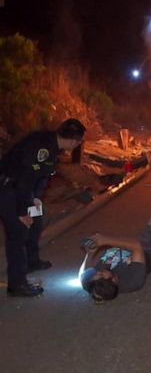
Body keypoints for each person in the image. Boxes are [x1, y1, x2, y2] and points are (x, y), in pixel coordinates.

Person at [0, 118, 86, 297]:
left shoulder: (54, 148)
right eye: (79, 142)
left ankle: (32, 261)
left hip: (25, 190)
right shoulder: (42, 147)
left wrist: (37, 198)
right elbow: (23, 181)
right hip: (9, 188)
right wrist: (22, 212)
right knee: (17, 233)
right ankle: (17, 285)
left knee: (36, 221)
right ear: (73, 140)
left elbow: (41, 176)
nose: (79, 145)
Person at [79, 212, 151, 302]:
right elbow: (136, 245)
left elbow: (84, 274)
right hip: (149, 252)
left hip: (128, 250)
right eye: (101, 275)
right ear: (113, 280)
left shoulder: (94, 284)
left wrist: (90, 253)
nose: (98, 272)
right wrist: (104, 240)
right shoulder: (133, 281)